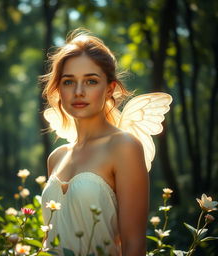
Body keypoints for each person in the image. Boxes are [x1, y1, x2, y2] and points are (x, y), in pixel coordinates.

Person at [41, 29, 172, 256]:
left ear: (109, 88)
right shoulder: (57, 157)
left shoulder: (124, 147)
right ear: (58, 89)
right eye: (69, 82)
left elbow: (134, 245)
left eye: (91, 81)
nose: (79, 92)